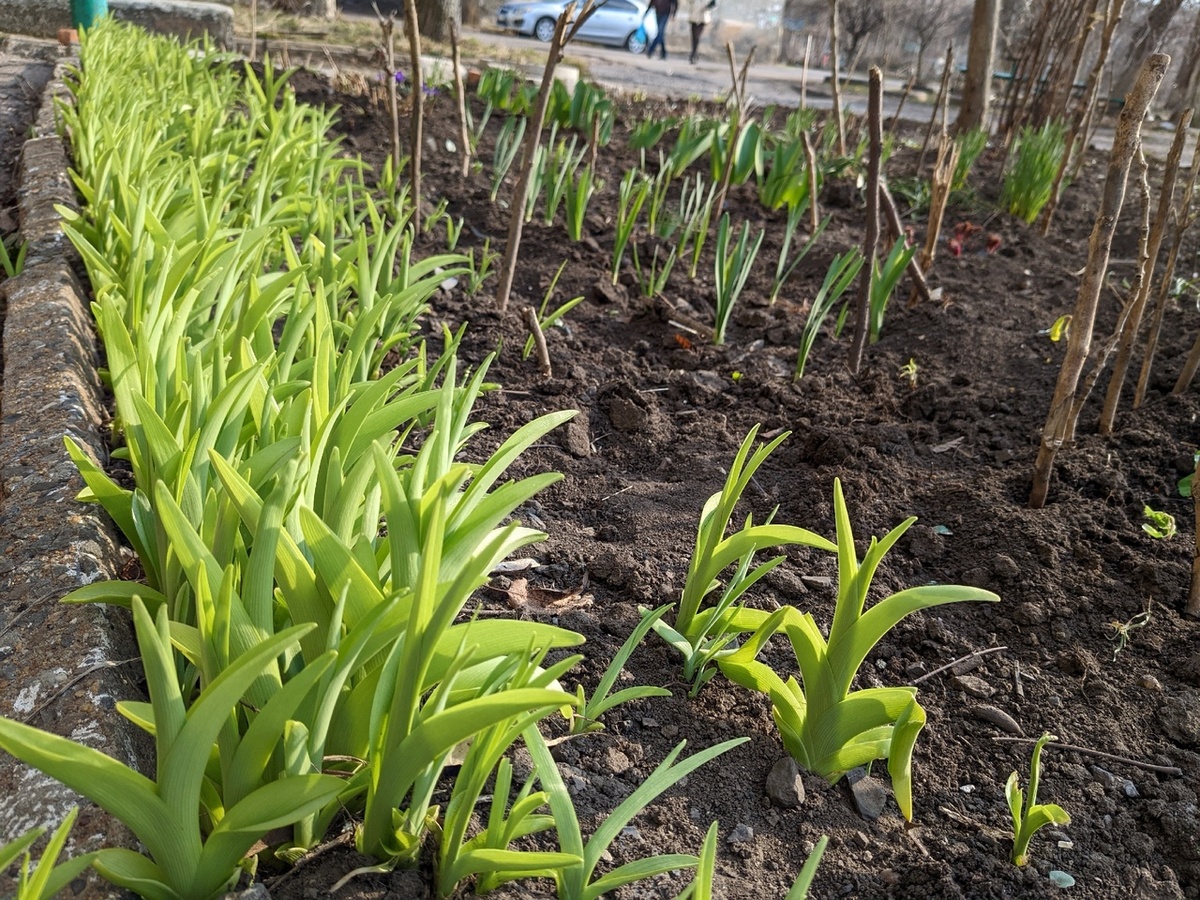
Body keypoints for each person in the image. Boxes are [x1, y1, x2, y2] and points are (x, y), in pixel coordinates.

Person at [687, 0, 716, 64]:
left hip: (702, 18)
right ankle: (694, 53)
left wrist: (707, 7)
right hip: (694, 17)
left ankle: (694, 54)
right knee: (694, 37)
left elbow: (713, 4)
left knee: (697, 36)